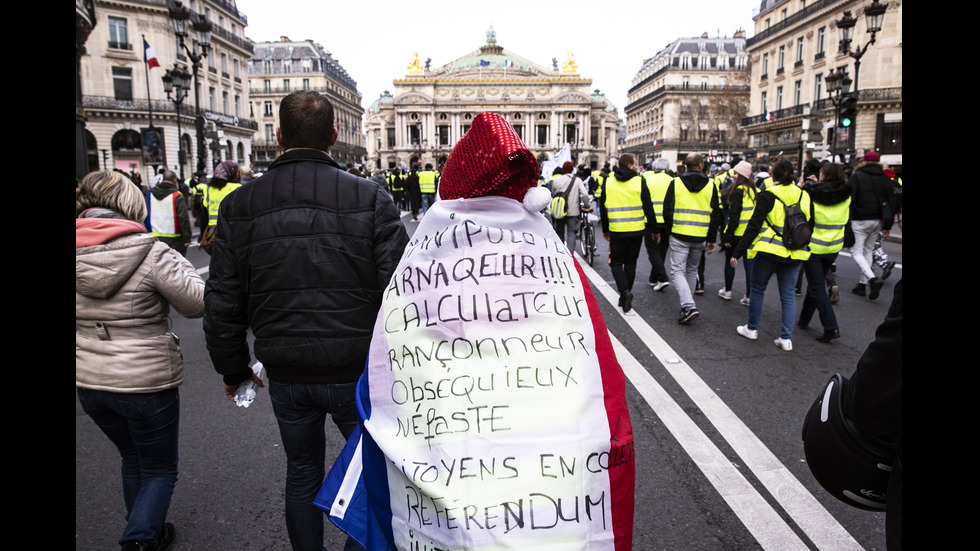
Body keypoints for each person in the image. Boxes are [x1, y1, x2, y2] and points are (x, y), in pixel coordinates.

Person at [318, 112, 635, 551]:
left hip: (455, 451)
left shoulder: (424, 257)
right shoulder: (556, 260)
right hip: (546, 465)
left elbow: (390, 365)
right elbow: (595, 370)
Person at [203, 90, 409, 551]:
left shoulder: (239, 204)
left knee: (301, 474)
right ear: (335, 136)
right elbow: (400, 289)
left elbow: (223, 299)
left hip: (287, 372)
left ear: (277, 137)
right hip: (355, 371)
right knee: (372, 474)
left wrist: (234, 369)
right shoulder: (370, 197)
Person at [76, 170, 205, 551]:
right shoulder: (150, 251)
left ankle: (149, 526)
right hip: (145, 379)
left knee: (132, 458)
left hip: (90, 379)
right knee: (160, 468)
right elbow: (197, 303)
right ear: (131, 205)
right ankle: (140, 538)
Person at [731, 159, 812, 351]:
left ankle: (752, 328)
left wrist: (738, 251)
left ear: (773, 175)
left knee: (758, 289)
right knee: (788, 295)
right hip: (795, 253)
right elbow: (810, 224)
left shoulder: (768, 195)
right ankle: (786, 338)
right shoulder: (804, 195)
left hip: (769, 250)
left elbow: (753, 226)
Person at [662, 153, 723, 324]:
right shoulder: (711, 185)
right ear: (701, 165)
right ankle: (687, 305)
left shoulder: (675, 183)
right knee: (691, 270)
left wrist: (668, 231)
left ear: (685, 166)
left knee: (677, 271)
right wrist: (711, 238)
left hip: (679, 232)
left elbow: (667, 209)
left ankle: (688, 305)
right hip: (700, 235)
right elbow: (715, 214)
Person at [798, 163, 851, 343]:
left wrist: (805, 187)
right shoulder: (846, 194)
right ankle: (804, 319)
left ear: (825, 175)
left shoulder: (811, 193)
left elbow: (803, 216)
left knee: (817, 286)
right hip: (834, 246)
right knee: (816, 283)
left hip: (814, 246)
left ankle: (831, 326)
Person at [600, 153, 656, 313]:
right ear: (631, 165)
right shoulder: (640, 181)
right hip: (637, 230)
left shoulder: (608, 182)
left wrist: (605, 228)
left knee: (615, 263)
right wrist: (654, 229)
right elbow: (648, 207)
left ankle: (624, 292)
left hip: (617, 230)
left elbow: (603, 207)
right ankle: (626, 293)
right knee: (631, 263)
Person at [847, 151, 893, 300]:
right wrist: (888, 225)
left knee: (856, 252)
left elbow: (850, 198)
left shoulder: (857, 176)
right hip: (877, 219)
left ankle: (872, 280)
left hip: (860, 218)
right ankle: (862, 284)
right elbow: (890, 202)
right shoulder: (885, 178)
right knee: (868, 251)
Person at [720, 161, 759, 305]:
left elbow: (734, 217)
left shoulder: (738, 191)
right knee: (750, 266)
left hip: (737, 234)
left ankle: (728, 290)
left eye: (736, 173)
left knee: (730, 262)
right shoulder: (756, 191)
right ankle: (749, 296)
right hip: (751, 235)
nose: (733, 176)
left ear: (742, 175)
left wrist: (727, 237)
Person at [145, 170, 192, 256]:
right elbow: (183, 218)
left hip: (153, 237)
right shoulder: (177, 196)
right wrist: (187, 238)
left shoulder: (149, 194)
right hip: (174, 239)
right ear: (174, 180)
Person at [644, 158, 673, 291]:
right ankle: (653, 278)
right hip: (667, 220)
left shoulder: (647, 180)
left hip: (650, 220)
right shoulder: (672, 181)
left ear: (654, 168)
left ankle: (662, 277)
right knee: (662, 249)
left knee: (652, 250)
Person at [550, 160, 591, 254]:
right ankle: (570, 254)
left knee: (559, 232)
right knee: (571, 233)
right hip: (573, 212)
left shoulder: (556, 180)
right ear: (572, 170)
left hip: (559, 211)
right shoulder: (577, 180)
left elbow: (553, 194)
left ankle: (560, 253)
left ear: (563, 170)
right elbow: (584, 194)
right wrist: (586, 205)